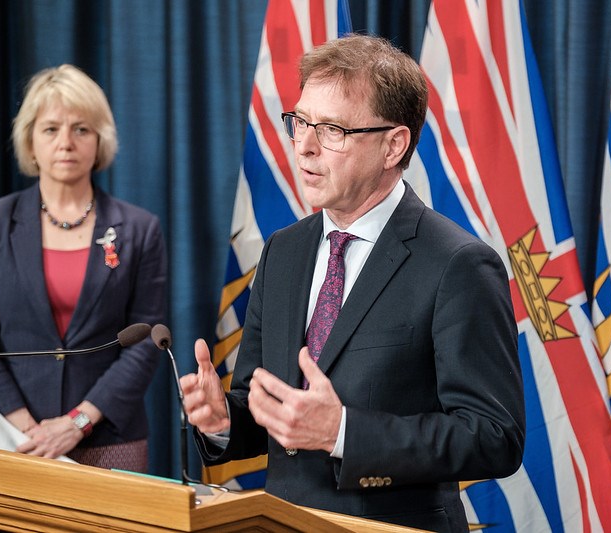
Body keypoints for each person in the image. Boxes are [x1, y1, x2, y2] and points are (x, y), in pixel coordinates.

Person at [180, 35, 525, 532]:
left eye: (333, 129)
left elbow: (495, 437)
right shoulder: (284, 251)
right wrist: (223, 422)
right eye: (299, 122)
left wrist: (344, 432)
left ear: (393, 145)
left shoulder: (460, 265)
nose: (305, 145)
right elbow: (272, 409)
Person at [0, 64, 167, 472]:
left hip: (109, 441)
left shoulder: (141, 229)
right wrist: (30, 432)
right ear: (30, 141)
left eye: (81, 129)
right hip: (15, 442)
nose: (66, 142)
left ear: (99, 140)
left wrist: (77, 423)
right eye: (51, 129)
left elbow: (146, 343)